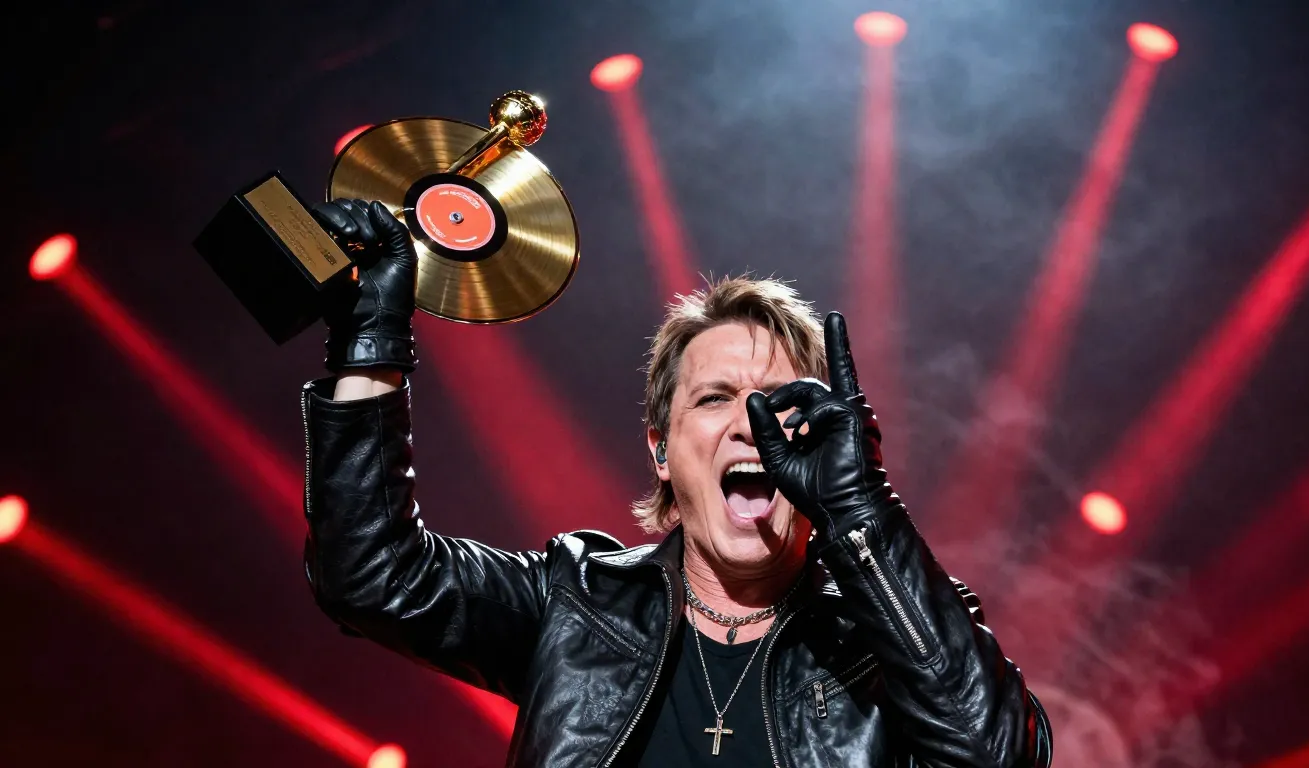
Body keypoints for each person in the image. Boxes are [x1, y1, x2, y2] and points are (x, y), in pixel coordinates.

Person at [300, 198, 1053, 767]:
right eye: (715, 398)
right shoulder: (577, 600)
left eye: (780, 405)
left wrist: (861, 509)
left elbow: (997, 756)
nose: (750, 426)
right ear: (661, 451)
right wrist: (371, 336)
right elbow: (370, 575)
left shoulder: (896, 630)